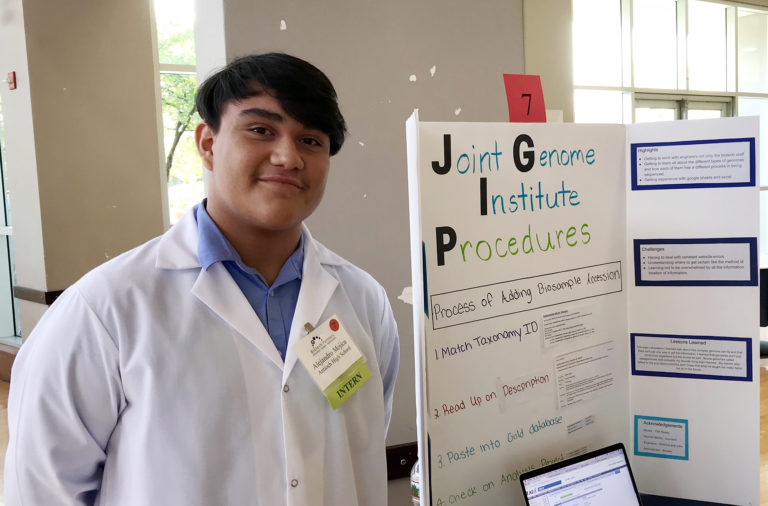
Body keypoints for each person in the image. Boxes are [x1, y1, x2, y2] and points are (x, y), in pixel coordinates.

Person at [5, 53, 400, 506]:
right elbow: (39, 492)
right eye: (261, 130)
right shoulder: (104, 311)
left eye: (310, 140)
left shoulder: (363, 301)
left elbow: (359, 447)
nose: (288, 157)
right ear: (208, 144)